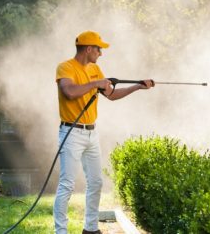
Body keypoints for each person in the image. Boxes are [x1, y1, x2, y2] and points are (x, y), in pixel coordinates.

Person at [54, 30, 154, 234]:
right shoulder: (65, 67)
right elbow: (69, 92)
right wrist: (95, 84)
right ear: (89, 48)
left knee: (96, 182)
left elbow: (112, 94)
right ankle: (61, 231)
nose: (101, 53)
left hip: (91, 134)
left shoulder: (95, 69)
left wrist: (137, 87)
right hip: (71, 133)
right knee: (67, 184)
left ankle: (90, 229)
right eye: (99, 49)